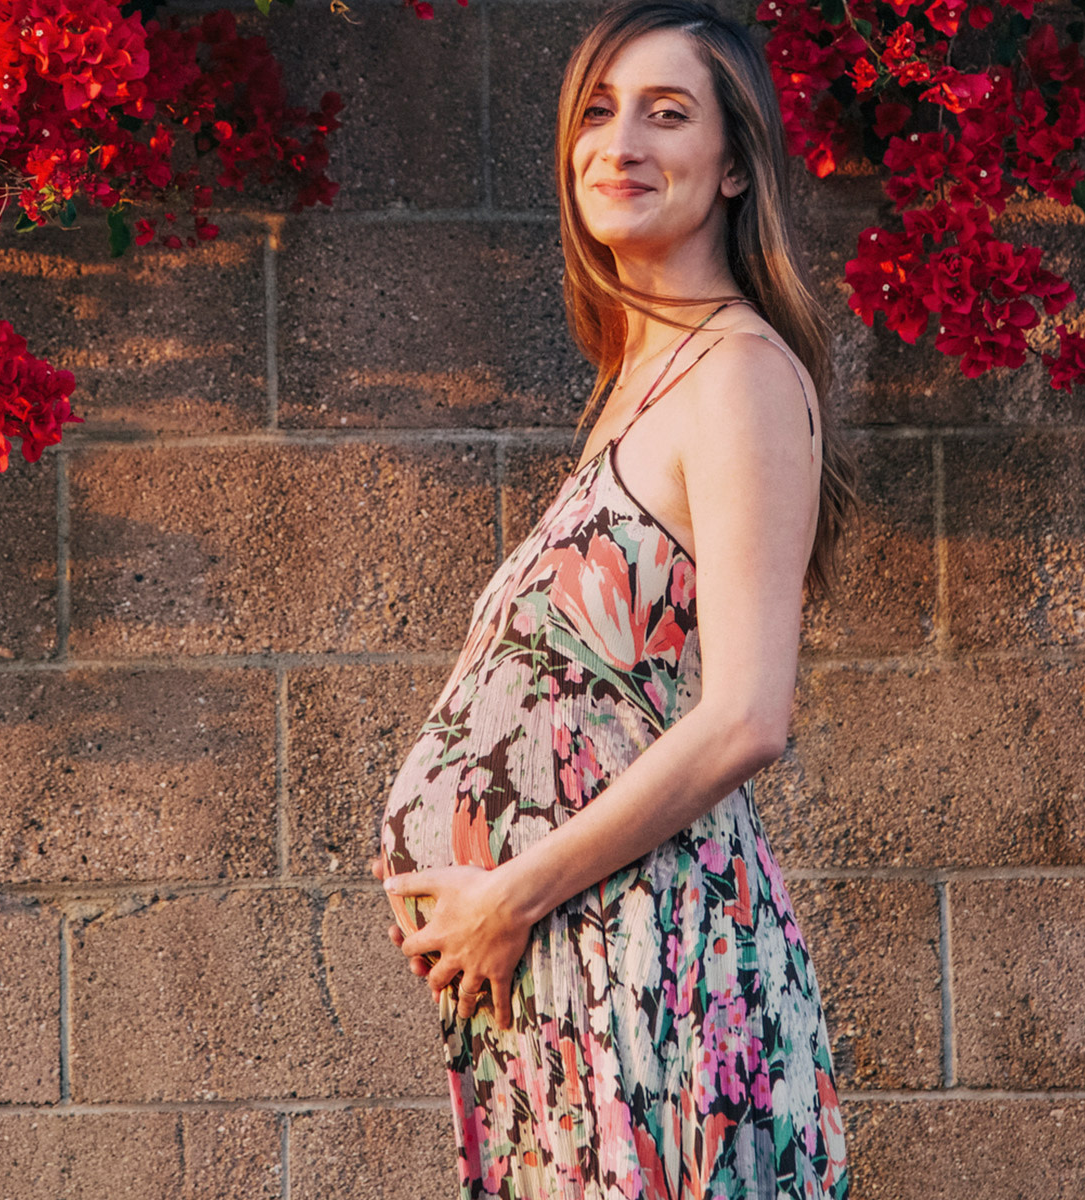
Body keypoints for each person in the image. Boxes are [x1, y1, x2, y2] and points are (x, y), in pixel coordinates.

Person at [368, 1, 859, 1194]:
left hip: (656, 982)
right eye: (597, 110)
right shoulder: (645, 380)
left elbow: (748, 714)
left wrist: (510, 896)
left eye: (667, 112)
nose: (620, 141)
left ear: (738, 164)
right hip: (580, 980)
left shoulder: (739, 374)